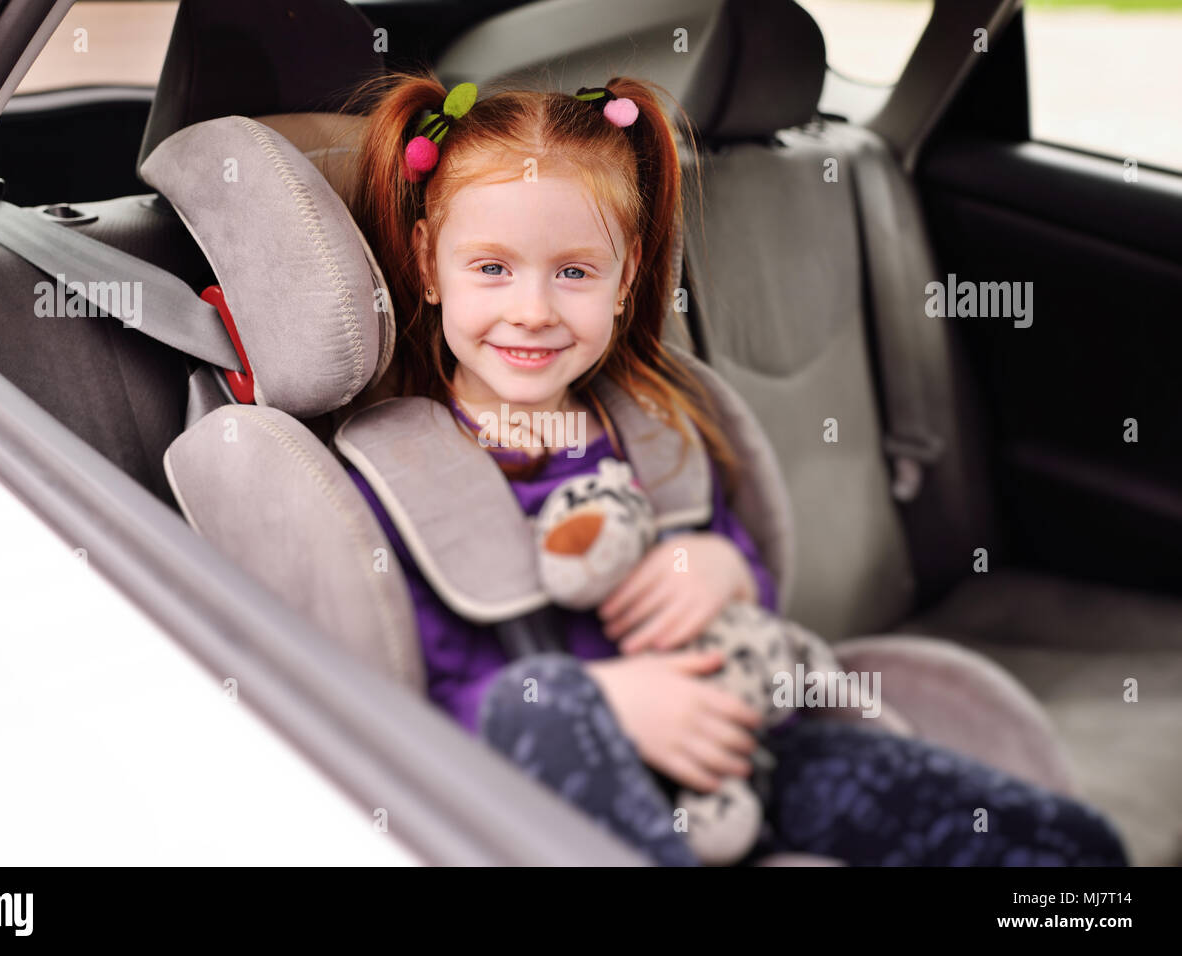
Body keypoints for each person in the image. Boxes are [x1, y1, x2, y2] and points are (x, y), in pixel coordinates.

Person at [337, 70, 1130, 867]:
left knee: (1068, 843)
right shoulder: (403, 479)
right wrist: (604, 706)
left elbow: (735, 589)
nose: (534, 310)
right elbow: (424, 710)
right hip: (555, 797)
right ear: (429, 266)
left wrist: (726, 568)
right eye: (492, 268)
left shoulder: (653, 424)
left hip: (741, 756)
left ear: (627, 278)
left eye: (574, 271)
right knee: (535, 706)